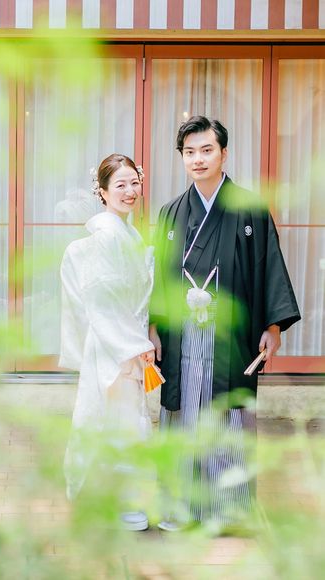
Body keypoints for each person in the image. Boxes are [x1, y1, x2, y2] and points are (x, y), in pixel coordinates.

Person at [149, 116, 301, 531]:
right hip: (183, 334)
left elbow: (269, 266)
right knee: (183, 411)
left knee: (227, 413)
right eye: (189, 152)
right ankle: (180, 505)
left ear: (223, 154)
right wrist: (154, 326)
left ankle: (228, 509)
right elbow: (159, 276)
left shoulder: (249, 208)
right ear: (182, 158)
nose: (198, 159)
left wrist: (273, 326)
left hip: (230, 334)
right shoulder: (170, 212)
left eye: (206, 150)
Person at [59, 154, 156, 531]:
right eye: (120, 185)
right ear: (102, 192)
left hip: (126, 341)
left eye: (134, 182)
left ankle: (118, 499)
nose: (129, 191)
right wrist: (133, 344)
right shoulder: (106, 236)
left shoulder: (127, 233)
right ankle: (116, 502)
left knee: (123, 421)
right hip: (114, 346)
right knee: (117, 422)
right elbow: (101, 299)